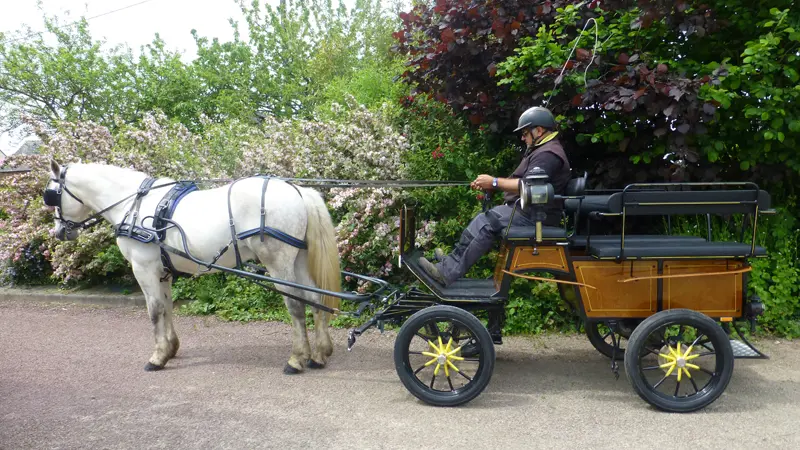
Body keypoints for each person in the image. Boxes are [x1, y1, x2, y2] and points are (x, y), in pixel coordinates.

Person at [419, 106, 572, 287]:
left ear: (539, 130)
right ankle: (450, 262)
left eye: (525, 133)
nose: (523, 138)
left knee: (487, 222)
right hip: (527, 212)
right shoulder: (542, 149)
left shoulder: (548, 154)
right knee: (482, 219)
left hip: (537, 217)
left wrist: (493, 182)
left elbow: (528, 186)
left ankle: (447, 272)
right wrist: (491, 185)